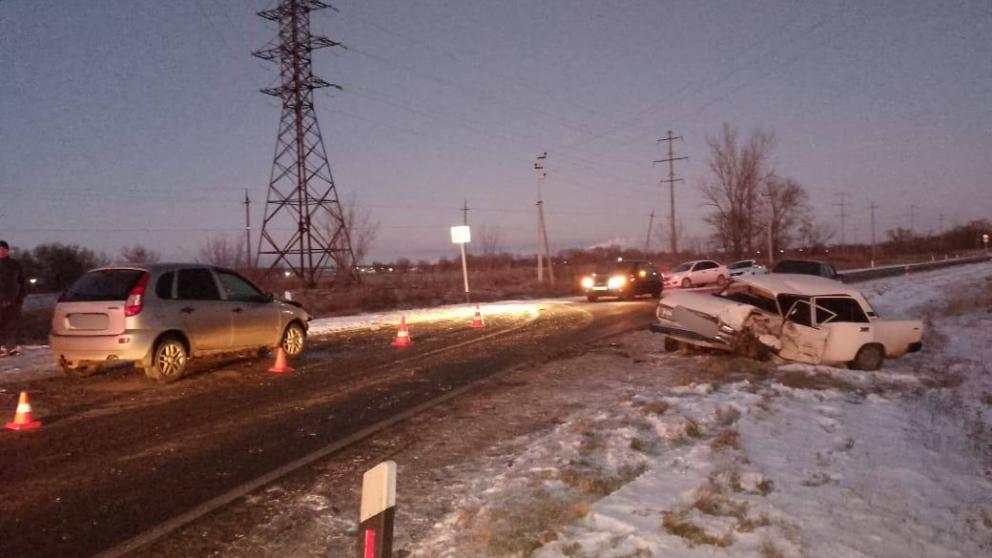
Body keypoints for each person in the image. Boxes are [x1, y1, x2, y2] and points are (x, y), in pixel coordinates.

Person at [0, 240, 27, 356]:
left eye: (2, 249)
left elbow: (22, 282)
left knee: (11, 324)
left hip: (13, 300)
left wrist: (20, 297)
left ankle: (11, 346)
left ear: (7, 250)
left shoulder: (15, 265)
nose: (0, 251)